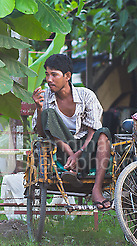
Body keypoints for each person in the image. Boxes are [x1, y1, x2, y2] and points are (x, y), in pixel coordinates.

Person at [31, 54, 112, 210]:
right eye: (47, 74)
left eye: (54, 75)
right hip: (60, 150)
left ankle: (97, 189)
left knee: (103, 133)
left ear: (67, 76)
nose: (49, 79)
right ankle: (73, 166)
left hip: (86, 150)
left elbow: (92, 131)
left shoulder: (86, 95)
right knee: (47, 113)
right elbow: (41, 133)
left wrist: (78, 154)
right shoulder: (45, 97)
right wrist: (39, 108)